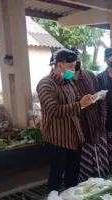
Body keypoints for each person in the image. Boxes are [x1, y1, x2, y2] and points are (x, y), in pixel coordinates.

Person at [37, 49, 93, 191]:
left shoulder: (68, 83)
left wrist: (86, 100)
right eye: (71, 67)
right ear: (60, 65)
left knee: (72, 175)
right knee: (56, 175)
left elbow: (74, 101)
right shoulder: (46, 84)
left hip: (74, 137)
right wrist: (79, 105)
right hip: (58, 139)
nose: (73, 70)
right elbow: (53, 110)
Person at [71, 48, 109, 181]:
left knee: (102, 166)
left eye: (78, 59)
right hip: (80, 133)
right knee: (84, 170)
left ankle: (104, 188)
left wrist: (103, 118)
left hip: (97, 128)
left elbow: (101, 97)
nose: (76, 62)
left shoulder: (90, 76)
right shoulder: (65, 81)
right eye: (72, 61)